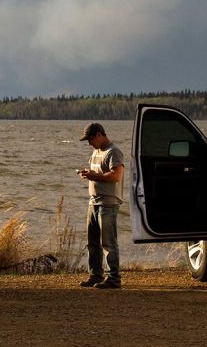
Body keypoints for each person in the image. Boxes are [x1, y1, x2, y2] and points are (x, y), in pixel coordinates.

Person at [77, 122, 124, 289]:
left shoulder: (114, 152)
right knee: (92, 242)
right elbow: (98, 173)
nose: (89, 143)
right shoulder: (96, 151)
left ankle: (113, 278)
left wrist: (93, 176)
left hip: (108, 202)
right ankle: (95, 275)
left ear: (99, 135)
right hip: (94, 201)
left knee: (108, 242)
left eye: (90, 139)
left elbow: (116, 176)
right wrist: (88, 173)